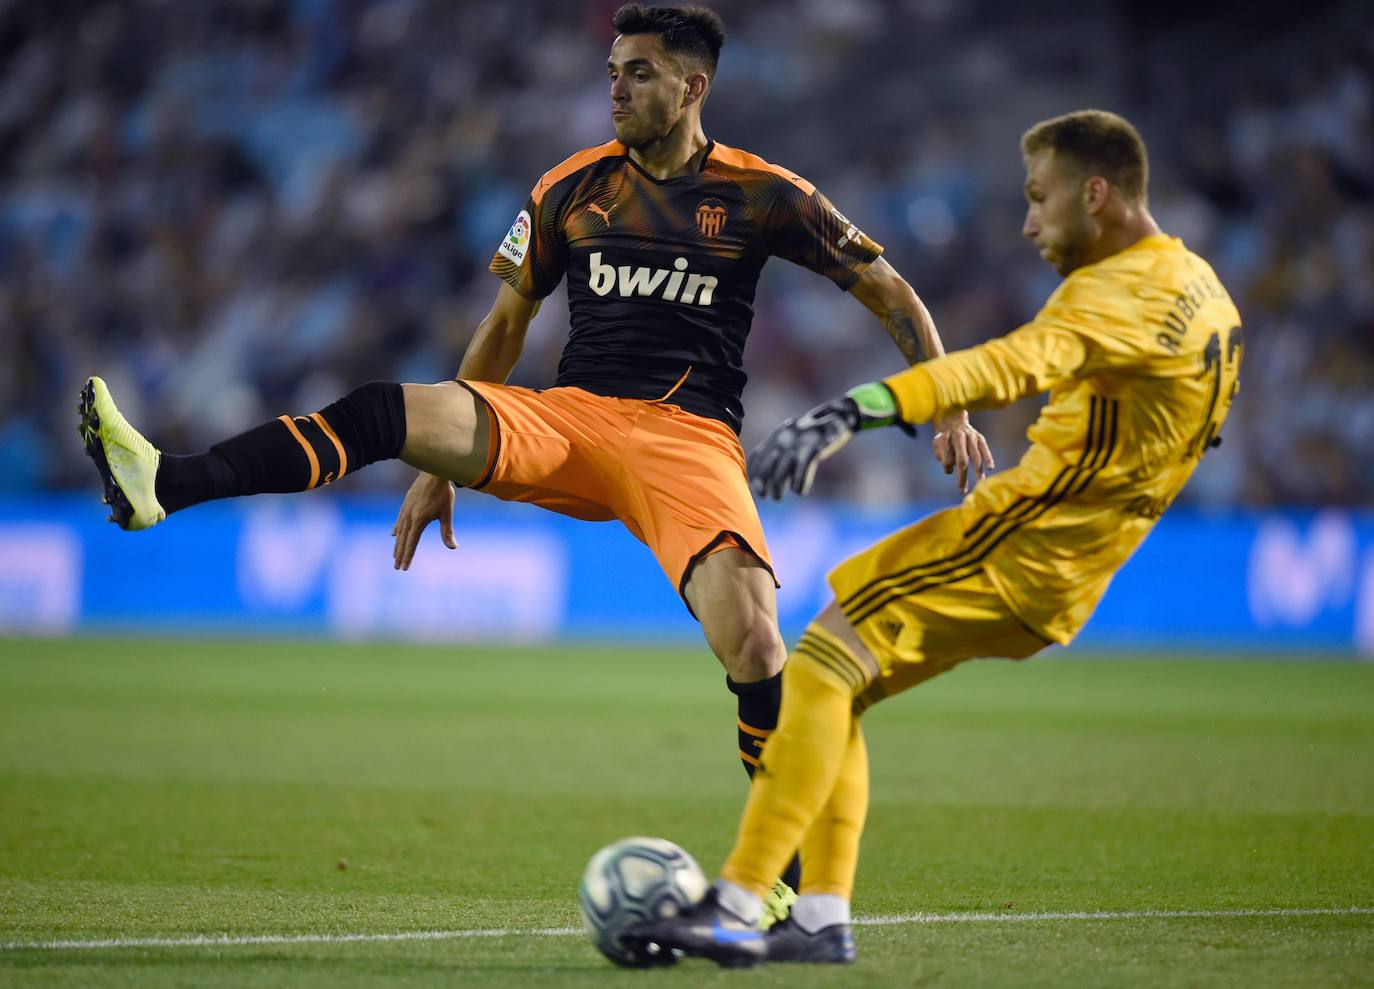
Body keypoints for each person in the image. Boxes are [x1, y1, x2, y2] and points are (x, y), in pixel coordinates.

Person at [76, 3, 986, 922]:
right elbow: (505, 325)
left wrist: (944, 398)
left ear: (691, 86)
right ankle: (166, 481)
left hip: (690, 443)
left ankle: (780, 880)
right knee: (387, 410)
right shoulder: (569, 188)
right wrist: (439, 470)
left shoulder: (762, 193)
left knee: (755, 639)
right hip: (570, 422)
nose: (617, 90)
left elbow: (888, 288)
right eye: (612, 72)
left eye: (638, 73)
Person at [627, 108, 1244, 967]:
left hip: (1019, 540)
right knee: (839, 678)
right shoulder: (1208, 297)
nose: (1029, 221)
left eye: (1040, 198)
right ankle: (821, 917)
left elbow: (1004, 367)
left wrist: (859, 408)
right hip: (1078, 569)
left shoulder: (1116, 293)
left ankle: (738, 902)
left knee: (814, 663)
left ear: (1095, 194)